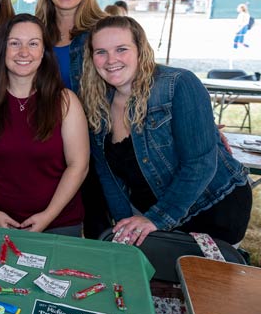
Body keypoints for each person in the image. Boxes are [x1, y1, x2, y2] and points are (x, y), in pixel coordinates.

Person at [81, 16, 252, 246]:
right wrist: (125, 226)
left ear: (140, 50)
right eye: (101, 52)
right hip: (152, 215)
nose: (111, 59)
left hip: (212, 208)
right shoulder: (98, 104)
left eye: (121, 49)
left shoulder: (178, 84)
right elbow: (108, 177)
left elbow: (200, 163)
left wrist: (156, 218)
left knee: (200, 281)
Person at [0, 14, 88, 235]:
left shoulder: (65, 101)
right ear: (3, 49)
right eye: (15, 43)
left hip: (58, 222)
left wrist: (47, 217)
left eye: (33, 44)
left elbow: (78, 166)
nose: (24, 52)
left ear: (44, 52)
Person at [35, 0, 110, 239]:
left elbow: (144, 74)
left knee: (98, 232)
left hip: (95, 149)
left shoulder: (102, 30)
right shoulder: (34, 32)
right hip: (44, 149)